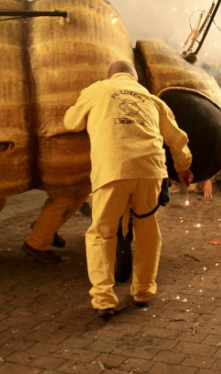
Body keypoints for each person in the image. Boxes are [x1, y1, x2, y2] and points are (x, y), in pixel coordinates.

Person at [64, 60, 193, 320]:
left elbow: (71, 122)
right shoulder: (153, 100)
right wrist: (184, 166)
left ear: (110, 75)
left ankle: (103, 300)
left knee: (102, 233)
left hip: (114, 170)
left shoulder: (97, 90)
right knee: (147, 229)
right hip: (150, 170)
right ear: (135, 78)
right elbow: (177, 138)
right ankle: (143, 292)